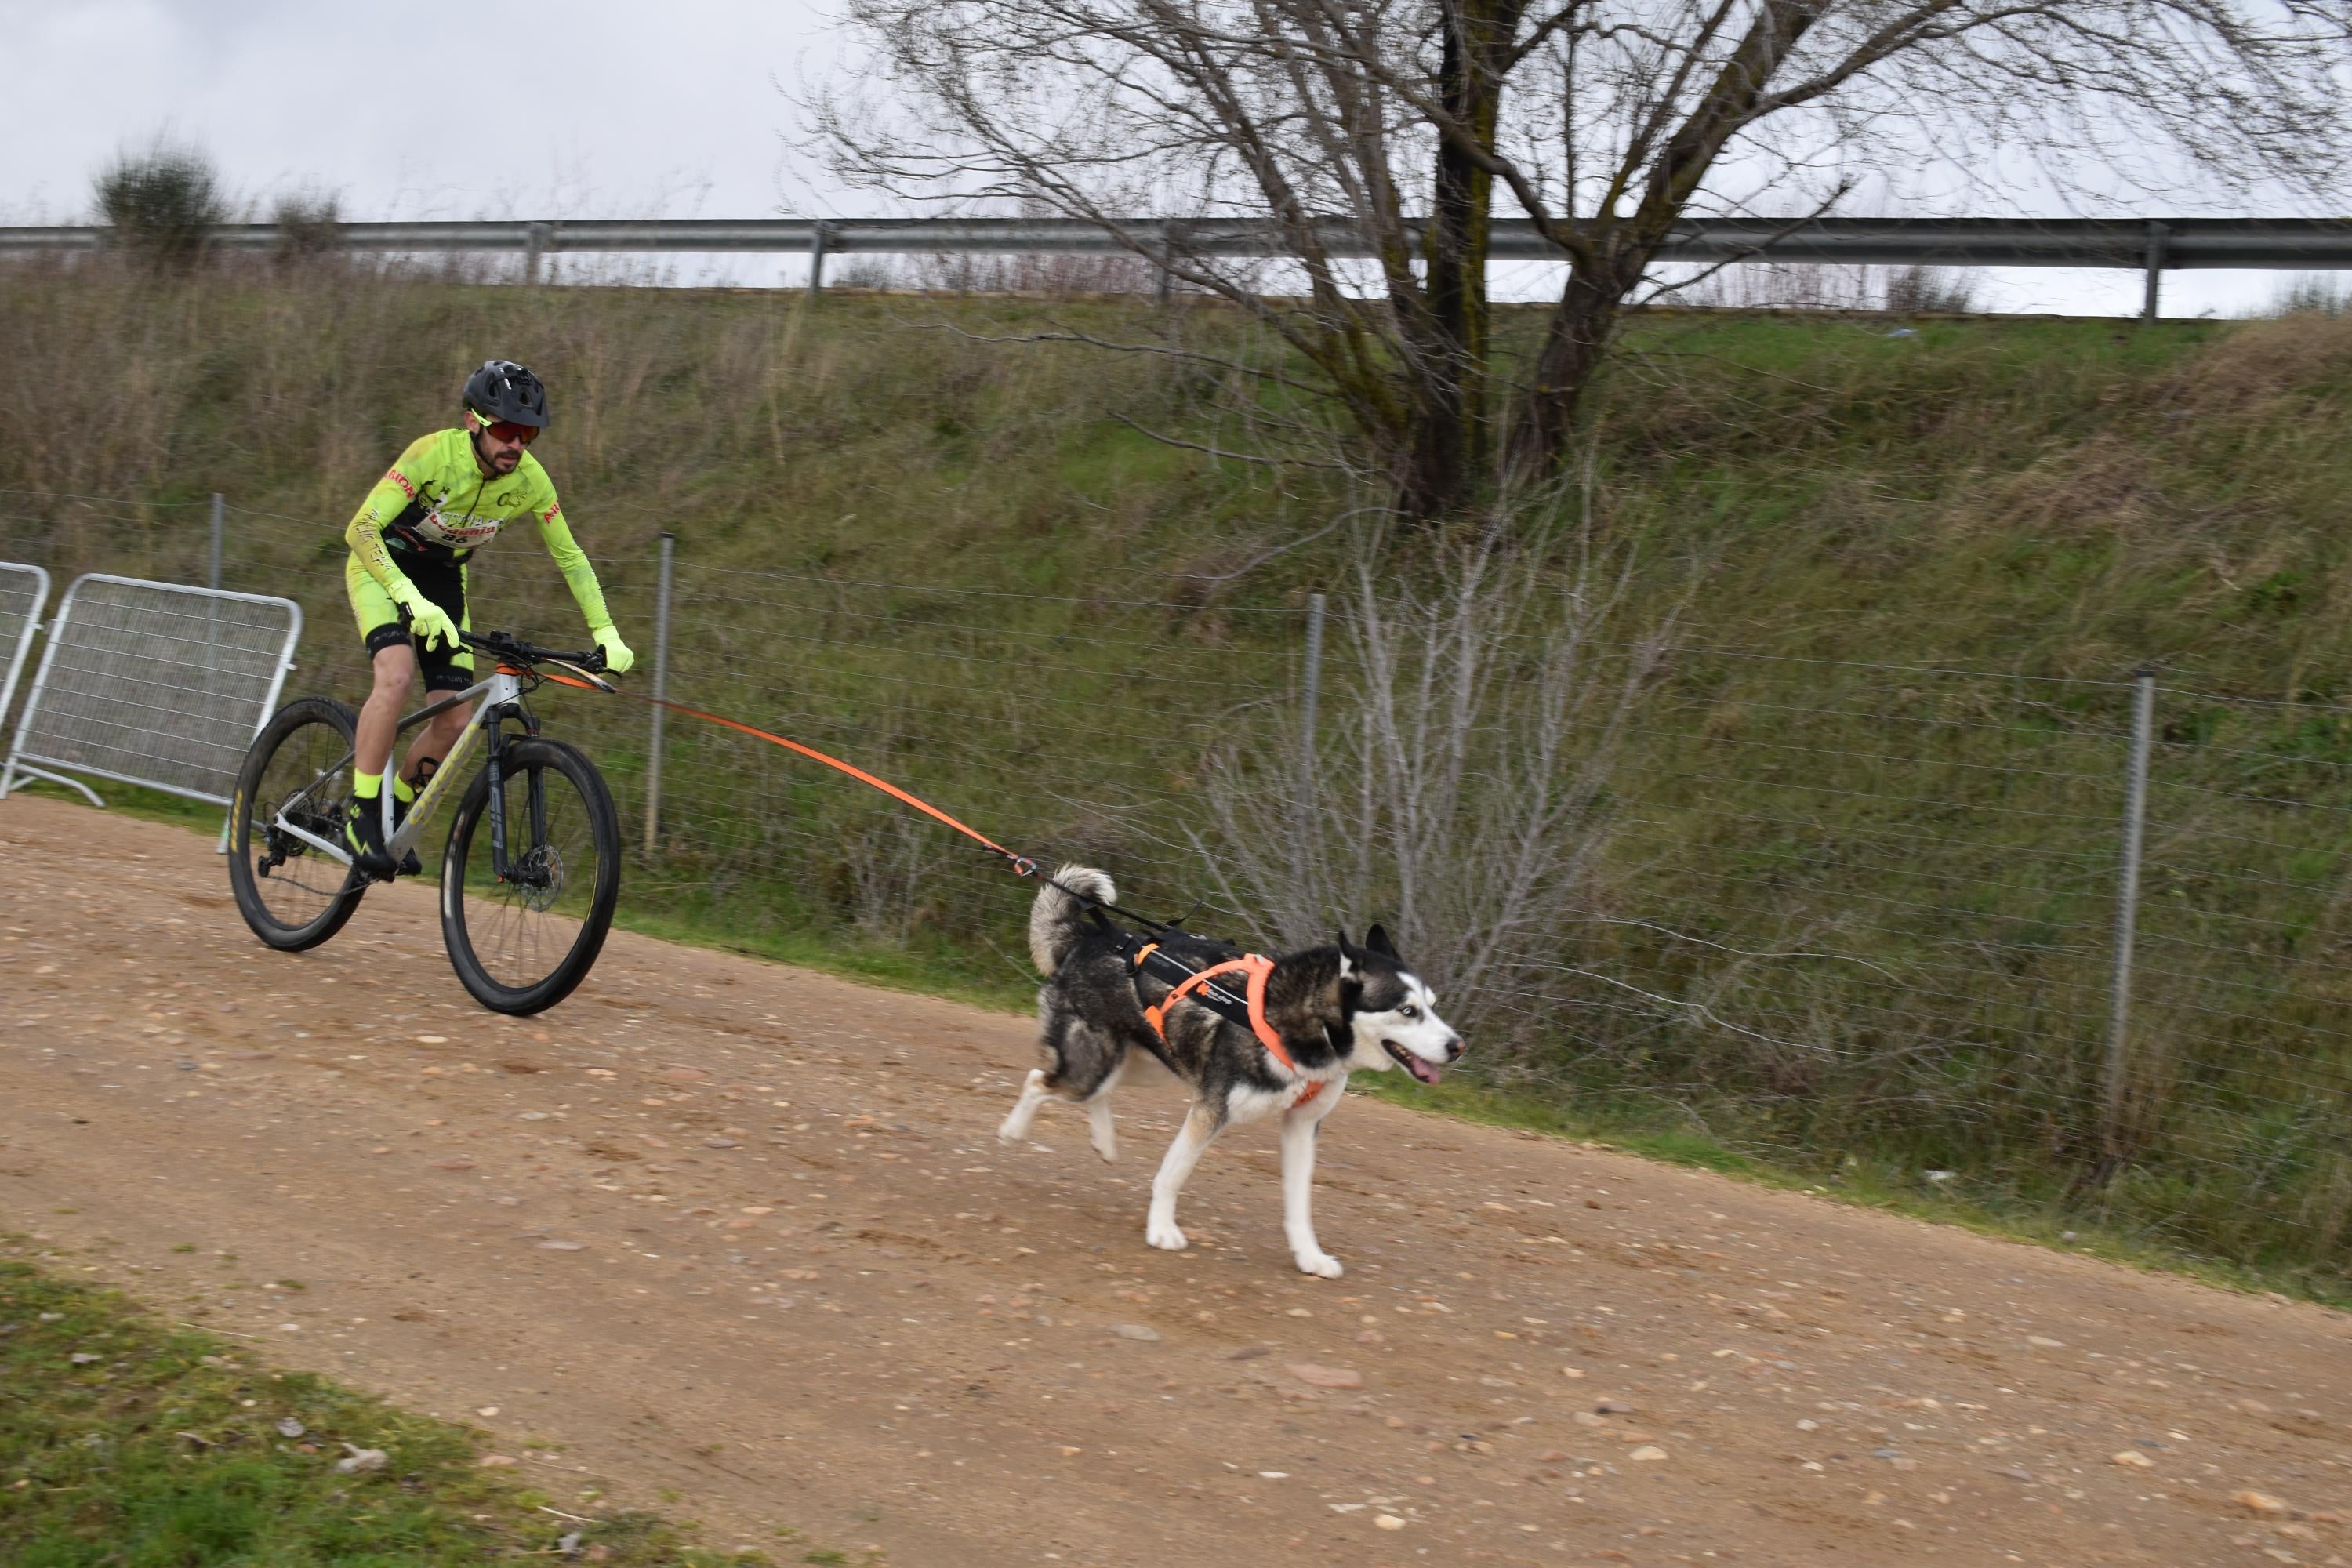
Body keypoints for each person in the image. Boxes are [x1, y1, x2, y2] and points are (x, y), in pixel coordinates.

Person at [340, 358, 633, 876]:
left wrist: (605, 630)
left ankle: (395, 813)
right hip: (381, 567)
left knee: (453, 717)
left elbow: (570, 557)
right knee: (396, 674)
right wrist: (407, 597)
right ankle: (361, 815)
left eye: (528, 434)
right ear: (474, 421)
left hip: (444, 580)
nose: (517, 445)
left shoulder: (531, 482)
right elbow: (360, 529)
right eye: (506, 430)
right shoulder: (432, 454)